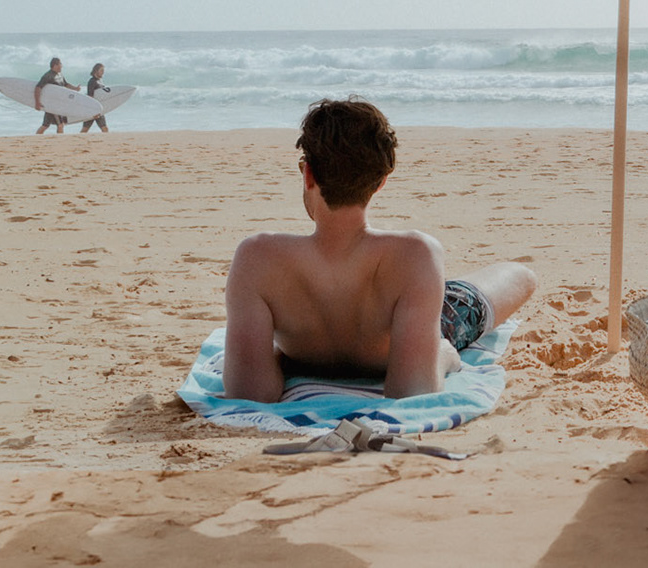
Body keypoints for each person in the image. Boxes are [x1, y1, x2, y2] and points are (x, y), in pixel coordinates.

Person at [221, 97, 538, 402]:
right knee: (520, 274)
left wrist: (279, 355)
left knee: (505, 278)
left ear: (308, 175)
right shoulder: (415, 253)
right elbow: (413, 389)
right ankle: (432, 294)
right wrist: (442, 355)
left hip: (407, 309)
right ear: (380, 181)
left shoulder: (257, 257)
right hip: (414, 321)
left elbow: (251, 392)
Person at [33, 58, 76, 135]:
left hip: (57, 104)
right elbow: (38, 87)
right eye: (60, 64)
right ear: (55, 65)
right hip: (53, 105)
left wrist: (75, 88)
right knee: (60, 125)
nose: (61, 66)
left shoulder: (59, 74)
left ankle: (36, 138)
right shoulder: (48, 76)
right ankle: (60, 142)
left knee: (45, 125)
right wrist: (37, 102)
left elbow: (65, 84)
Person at [79, 63, 109, 134]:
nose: (103, 72)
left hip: (97, 109)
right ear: (96, 71)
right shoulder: (92, 81)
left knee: (103, 129)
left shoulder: (99, 81)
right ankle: (76, 141)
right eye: (101, 70)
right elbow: (90, 97)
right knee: (85, 129)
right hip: (93, 109)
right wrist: (93, 111)